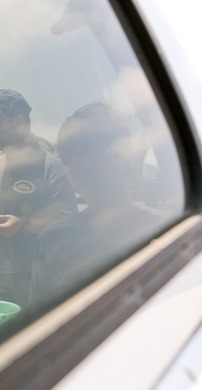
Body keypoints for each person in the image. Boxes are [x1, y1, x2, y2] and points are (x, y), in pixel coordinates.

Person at [30, 102, 162, 308]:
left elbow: (38, 318)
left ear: (73, 174)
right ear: (126, 160)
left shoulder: (56, 238)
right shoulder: (163, 230)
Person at [0, 89, 77, 307]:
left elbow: (68, 222)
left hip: (36, 294)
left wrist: (24, 224)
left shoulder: (49, 166)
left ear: (20, 121)